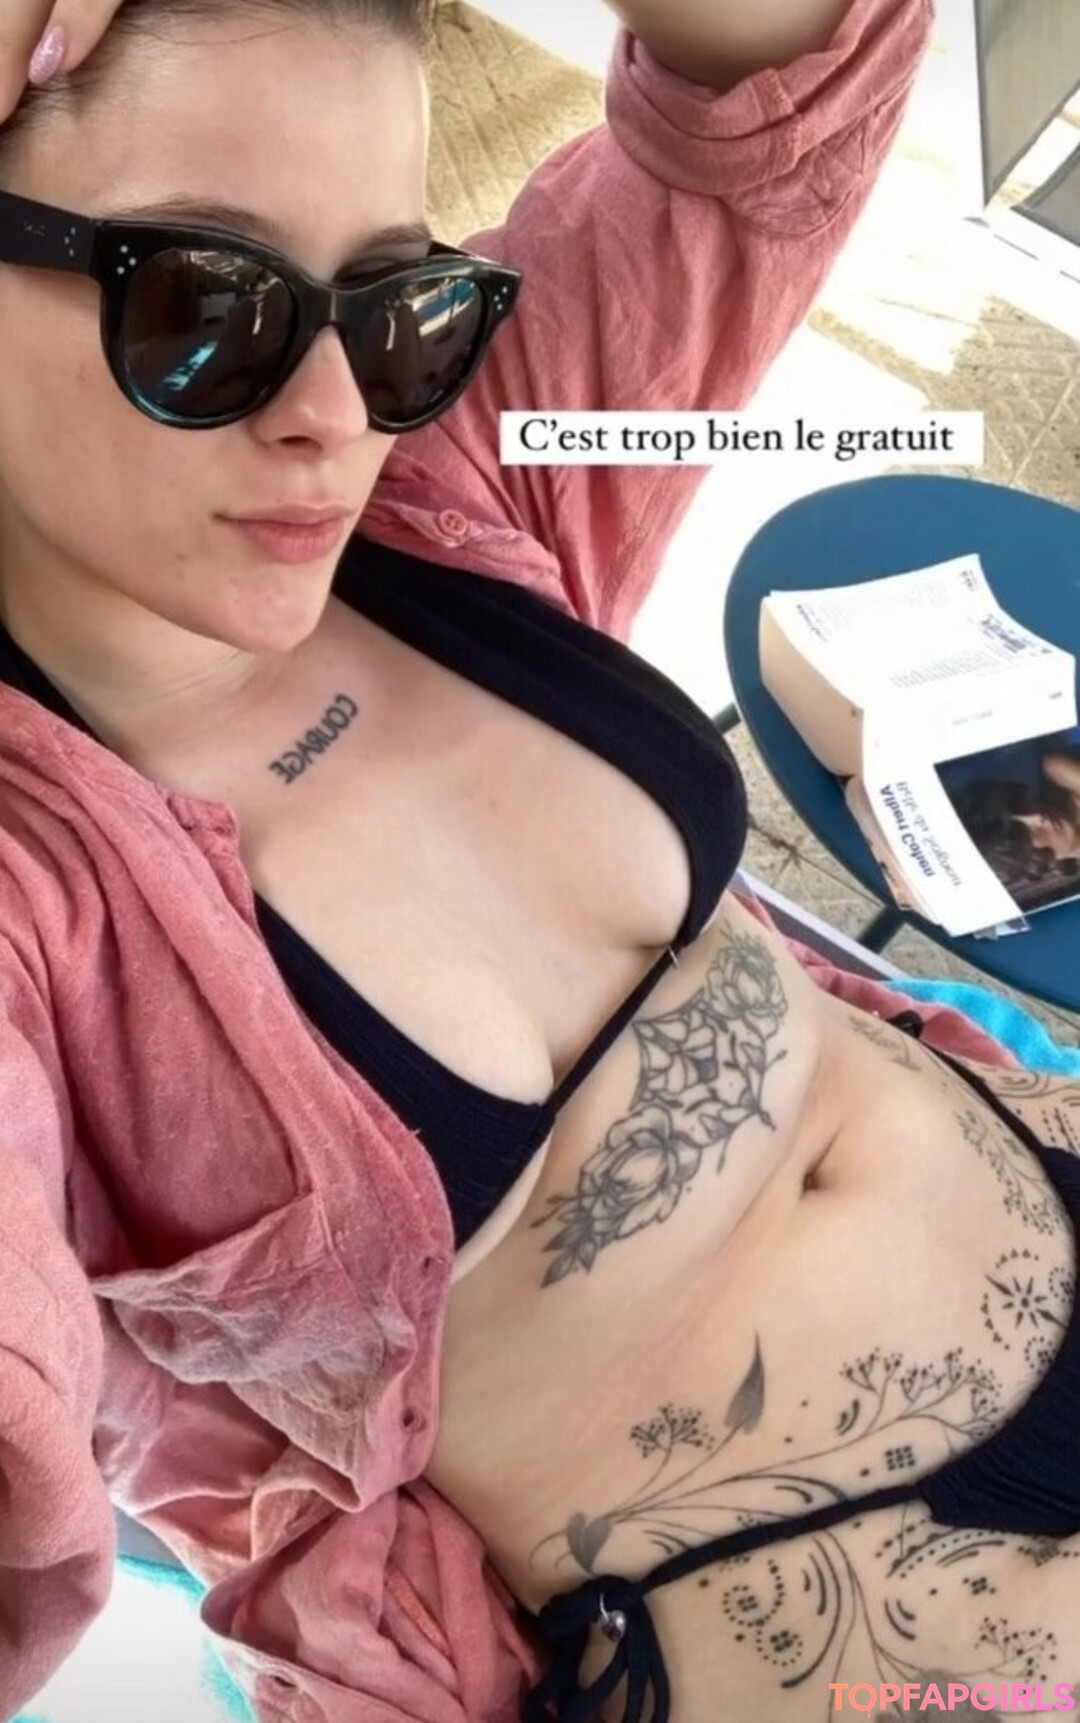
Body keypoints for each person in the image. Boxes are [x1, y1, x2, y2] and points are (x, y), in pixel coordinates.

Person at [0, 3, 1077, 1722]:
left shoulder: (463, 482)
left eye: (394, 309)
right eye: (204, 307)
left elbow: (761, 121)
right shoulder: (36, 911)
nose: (334, 415)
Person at [950, 737, 1080, 910]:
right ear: (1036, 865)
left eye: (1019, 808)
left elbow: (1050, 764)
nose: (1037, 816)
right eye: (1032, 833)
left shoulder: (1056, 775)